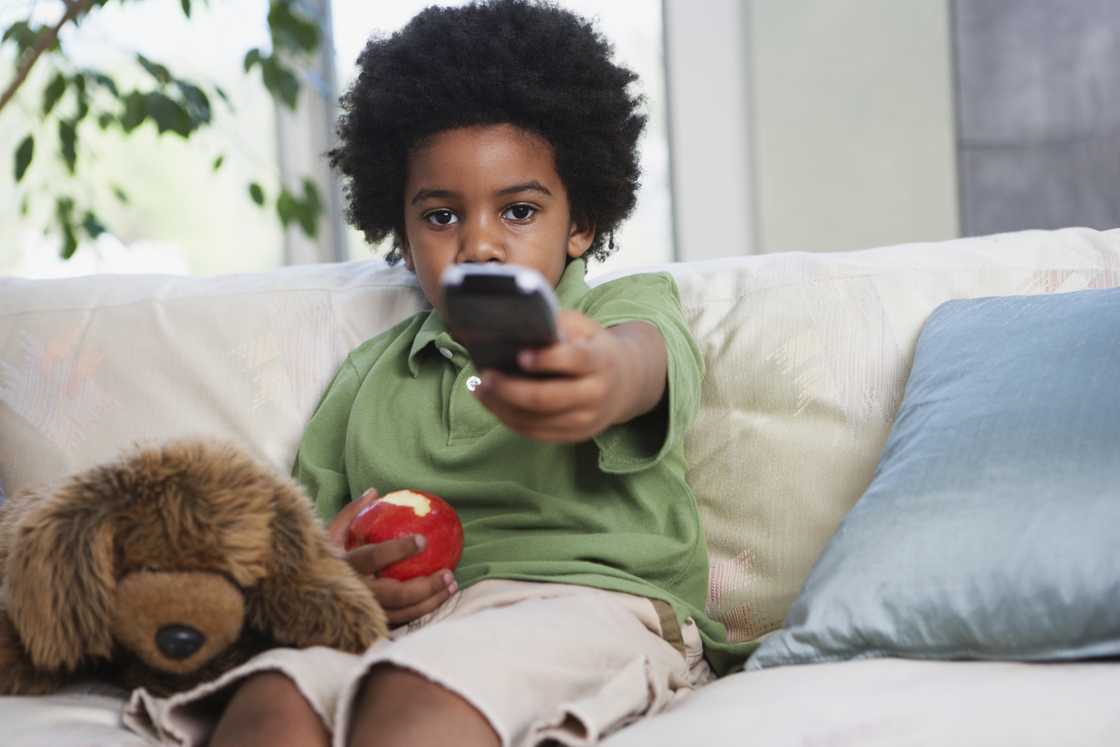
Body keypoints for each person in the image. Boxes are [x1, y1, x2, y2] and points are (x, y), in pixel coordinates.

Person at [205, 2, 751, 746]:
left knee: (413, 696)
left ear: (581, 222)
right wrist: (335, 575)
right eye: (440, 217)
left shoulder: (622, 312)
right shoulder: (369, 373)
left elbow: (637, 363)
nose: (479, 244)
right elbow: (308, 549)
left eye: (519, 210)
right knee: (272, 697)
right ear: (400, 228)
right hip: (411, 628)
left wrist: (597, 376)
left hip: (591, 606)